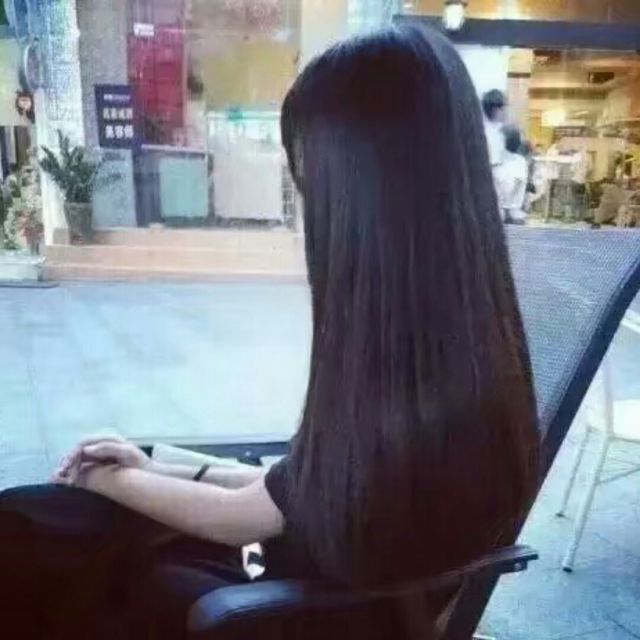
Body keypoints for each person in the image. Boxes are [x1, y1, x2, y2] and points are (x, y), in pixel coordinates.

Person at [0, 25, 540, 638]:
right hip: (305, 588)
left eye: (310, 188)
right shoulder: (449, 352)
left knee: (38, 539)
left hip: (304, 615)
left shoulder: (425, 400)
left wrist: (114, 478)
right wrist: (151, 466)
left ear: (364, 205)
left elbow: (245, 516)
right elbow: (298, 490)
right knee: (47, 525)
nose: (307, 217)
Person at [494, 126, 529, 224]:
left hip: (504, 212)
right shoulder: (520, 161)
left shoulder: (499, 161)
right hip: (514, 212)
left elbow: (509, 187)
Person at [481, 89, 508, 168]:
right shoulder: (490, 135)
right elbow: (494, 164)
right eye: (504, 107)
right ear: (495, 109)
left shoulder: (499, 130)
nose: (506, 111)